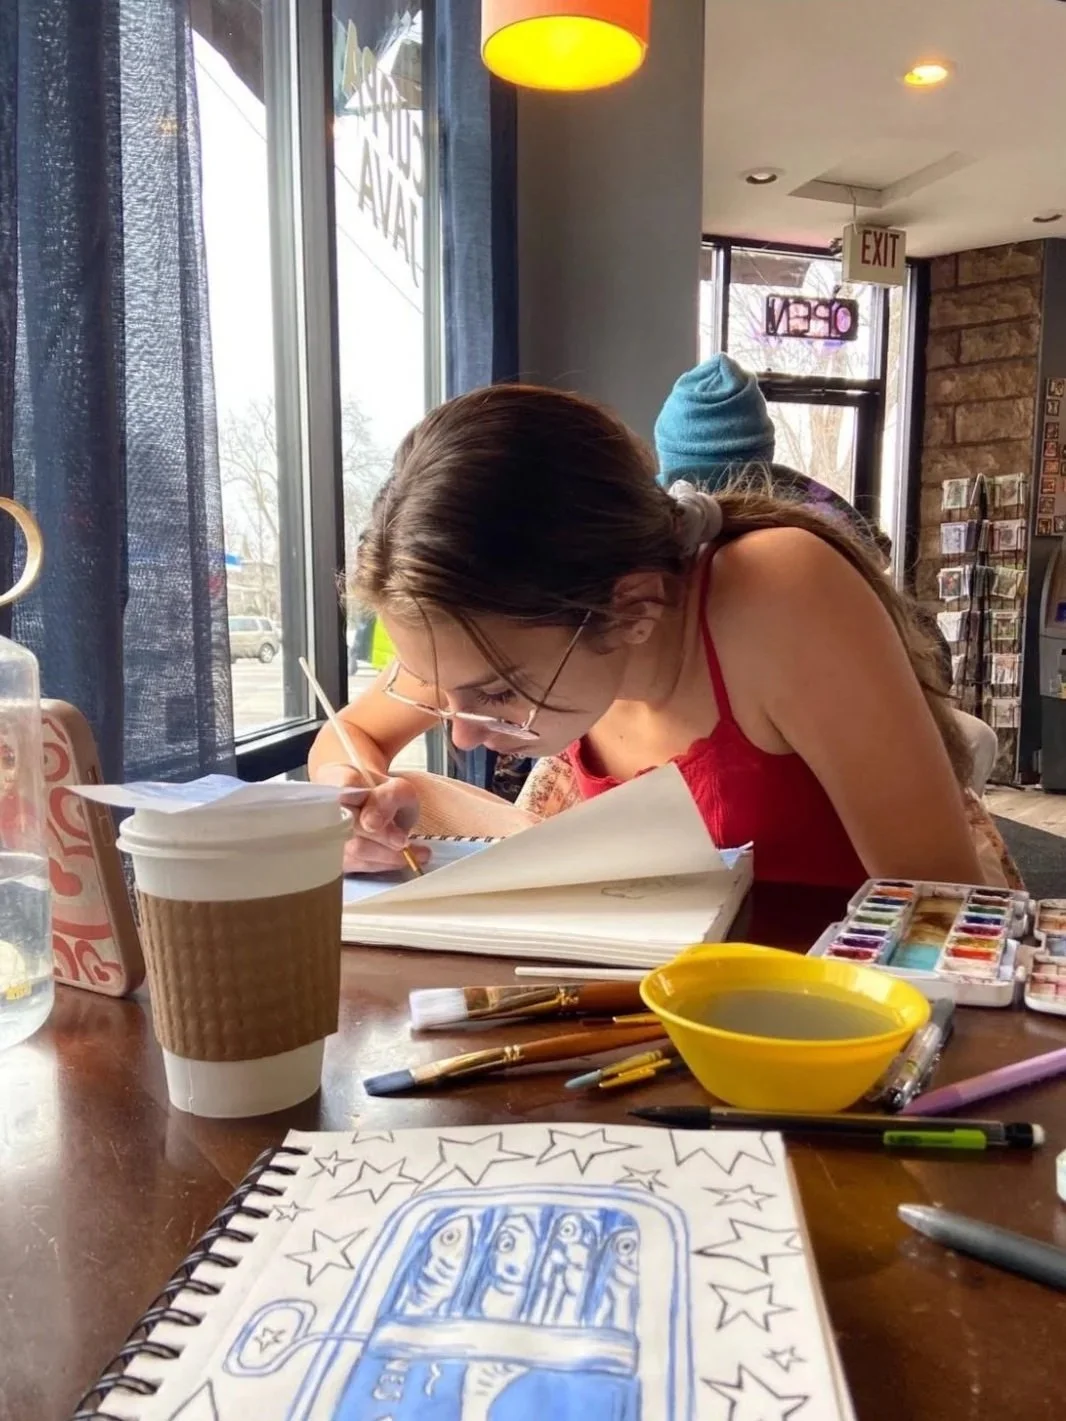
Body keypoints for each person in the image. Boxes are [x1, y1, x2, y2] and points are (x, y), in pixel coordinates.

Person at [309, 382, 986, 889]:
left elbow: (940, 902)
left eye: (498, 693)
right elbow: (346, 740)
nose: (462, 732)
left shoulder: (779, 592)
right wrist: (355, 800)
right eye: (445, 695)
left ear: (633, 606)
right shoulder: (486, 626)